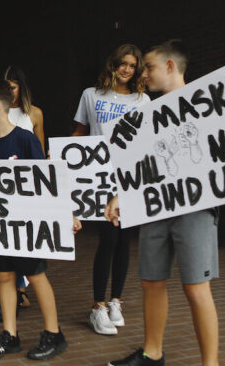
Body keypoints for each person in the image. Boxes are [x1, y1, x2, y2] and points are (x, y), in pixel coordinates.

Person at [104, 40, 225, 366]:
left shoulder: (212, 103)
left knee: (196, 288)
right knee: (151, 282)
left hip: (196, 209)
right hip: (156, 207)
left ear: (171, 66)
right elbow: (139, 166)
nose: (144, 74)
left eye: (150, 67)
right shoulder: (147, 116)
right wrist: (120, 195)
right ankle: (152, 353)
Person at [0, 79, 82, 361]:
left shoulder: (25, 139)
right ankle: (10, 335)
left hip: (27, 226)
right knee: (5, 275)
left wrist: (66, 212)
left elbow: (47, 182)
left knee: (35, 274)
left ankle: (54, 334)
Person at [72, 44, 150, 336]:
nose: (126, 69)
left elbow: (145, 141)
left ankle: (116, 300)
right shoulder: (91, 95)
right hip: (97, 177)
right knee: (107, 239)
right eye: (122, 64)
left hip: (128, 178)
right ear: (112, 65)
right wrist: (61, 159)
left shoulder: (143, 100)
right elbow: (79, 134)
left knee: (123, 241)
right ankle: (97, 305)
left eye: (132, 65)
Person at [0, 66, 45, 308]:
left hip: (22, 210)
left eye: (13, 86)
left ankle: (26, 295)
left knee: (33, 268)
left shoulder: (29, 127)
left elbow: (42, 172)